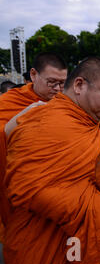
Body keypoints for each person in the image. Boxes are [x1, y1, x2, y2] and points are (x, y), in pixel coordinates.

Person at [3, 56, 100, 264]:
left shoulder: (92, 122)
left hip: (83, 242)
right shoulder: (43, 123)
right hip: (46, 245)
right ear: (79, 85)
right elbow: (27, 190)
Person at [0, 52, 68, 243]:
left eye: (62, 83)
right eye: (51, 82)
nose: (57, 89)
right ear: (33, 74)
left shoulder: (66, 102)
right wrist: (21, 117)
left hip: (56, 190)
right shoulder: (11, 102)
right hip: (22, 189)